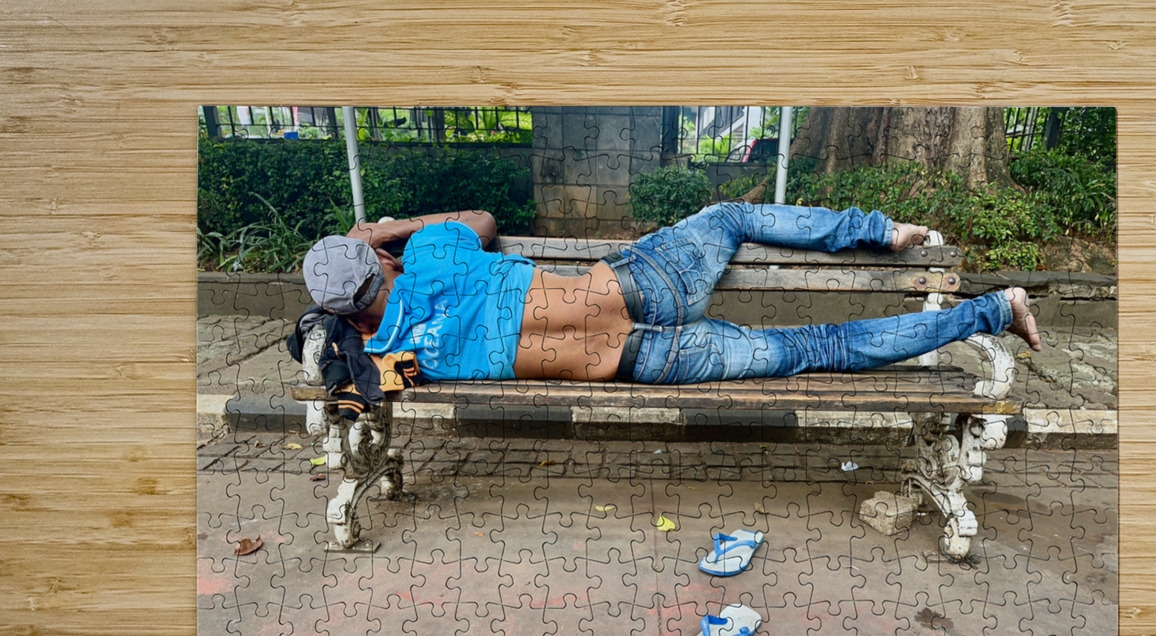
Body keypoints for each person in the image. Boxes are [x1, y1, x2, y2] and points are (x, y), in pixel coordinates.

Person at [300, 202, 1041, 386]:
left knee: (815, 349)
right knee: (730, 218)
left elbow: (353, 361)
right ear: (380, 261)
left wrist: (353, 326)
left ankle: (995, 310)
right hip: (639, 285)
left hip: (641, 362)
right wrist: (384, 229)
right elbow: (482, 222)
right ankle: (880, 229)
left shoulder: (385, 358)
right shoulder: (430, 257)